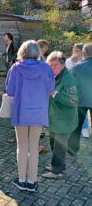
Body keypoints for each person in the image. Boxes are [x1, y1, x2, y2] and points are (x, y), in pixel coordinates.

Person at [6, 40, 55, 192]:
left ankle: (21, 180)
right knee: (34, 147)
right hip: (39, 112)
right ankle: (32, 181)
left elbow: (10, 91)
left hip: (21, 112)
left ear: (22, 51)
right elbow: (51, 89)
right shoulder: (46, 68)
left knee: (22, 146)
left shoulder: (15, 68)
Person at [42, 51, 78, 179]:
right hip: (55, 119)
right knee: (53, 143)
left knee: (60, 147)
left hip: (64, 121)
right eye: (50, 66)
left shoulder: (69, 79)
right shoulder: (56, 76)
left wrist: (55, 94)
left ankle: (58, 171)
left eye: (55, 65)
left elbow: (73, 101)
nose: (52, 68)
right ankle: (55, 165)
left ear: (63, 64)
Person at [68, 43, 92, 155]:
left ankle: (72, 149)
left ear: (84, 53)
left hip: (80, 101)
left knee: (76, 126)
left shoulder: (76, 67)